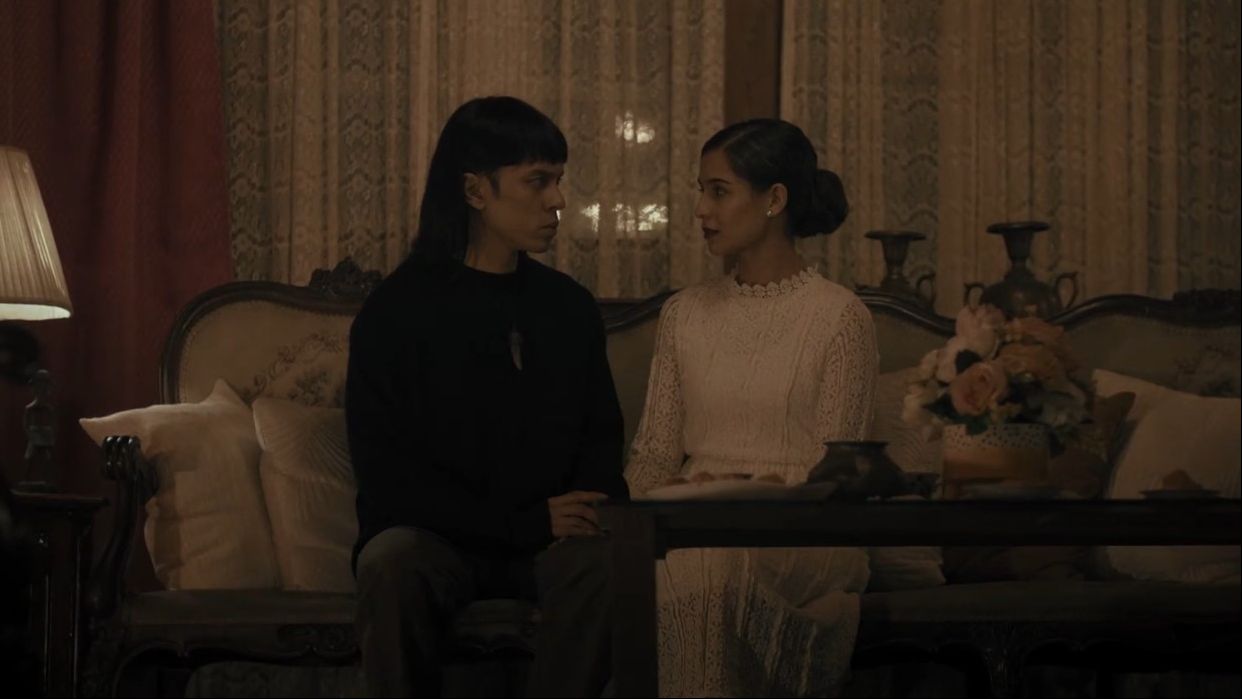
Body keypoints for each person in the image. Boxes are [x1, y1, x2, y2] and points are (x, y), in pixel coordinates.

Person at [346, 96, 628, 698]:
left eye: (558, 180)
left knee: (607, 561)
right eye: (537, 181)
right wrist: (521, 521)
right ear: (475, 190)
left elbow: (600, 443)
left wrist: (580, 513)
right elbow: (388, 480)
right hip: (437, 540)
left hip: (550, 545)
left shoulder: (567, 306)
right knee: (390, 562)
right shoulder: (398, 310)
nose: (557, 199)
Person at [625, 118, 878, 696]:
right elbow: (655, 454)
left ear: (774, 200)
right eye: (701, 191)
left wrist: (748, 498)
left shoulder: (839, 316)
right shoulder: (683, 313)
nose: (700, 210)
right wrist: (625, 523)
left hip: (806, 532)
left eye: (719, 191)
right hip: (693, 523)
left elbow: (839, 475)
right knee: (670, 562)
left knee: (707, 563)